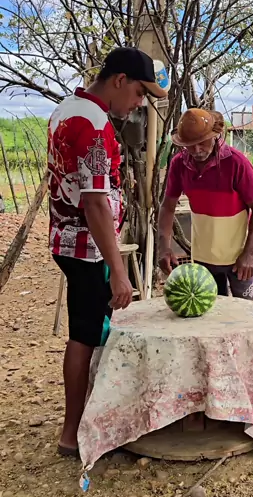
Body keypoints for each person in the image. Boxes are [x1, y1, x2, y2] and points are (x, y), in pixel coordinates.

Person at [48, 47, 168, 457]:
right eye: (138, 93)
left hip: (67, 239)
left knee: (91, 331)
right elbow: (96, 202)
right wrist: (118, 270)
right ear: (119, 80)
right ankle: (72, 434)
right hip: (87, 248)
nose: (138, 103)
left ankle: (91, 417)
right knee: (84, 335)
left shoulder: (66, 109)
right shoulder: (95, 125)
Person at [158, 108, 253, 299]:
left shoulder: (236, 162)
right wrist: (164, 248)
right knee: (210, 311)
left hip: (238, 258)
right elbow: (167, 206)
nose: (196, 150)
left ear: (215, 135)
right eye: (189, 145)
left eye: (202, 142)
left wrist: (249, 253)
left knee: (245, 309)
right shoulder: (179, 164)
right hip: (203, 259)